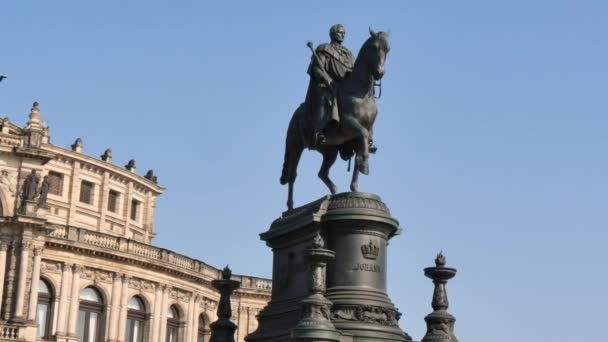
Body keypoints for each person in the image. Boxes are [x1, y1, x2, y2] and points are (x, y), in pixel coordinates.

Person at [306, 24, 354, 146]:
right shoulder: (324, 49)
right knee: (326, 97)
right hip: (328, 85)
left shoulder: (348, 54)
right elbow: (317, 69)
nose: (342, 34)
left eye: (344, 33)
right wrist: (326, 78)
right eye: (340, 32)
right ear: (332, 33)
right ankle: (319, 131)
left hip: (345, 86)